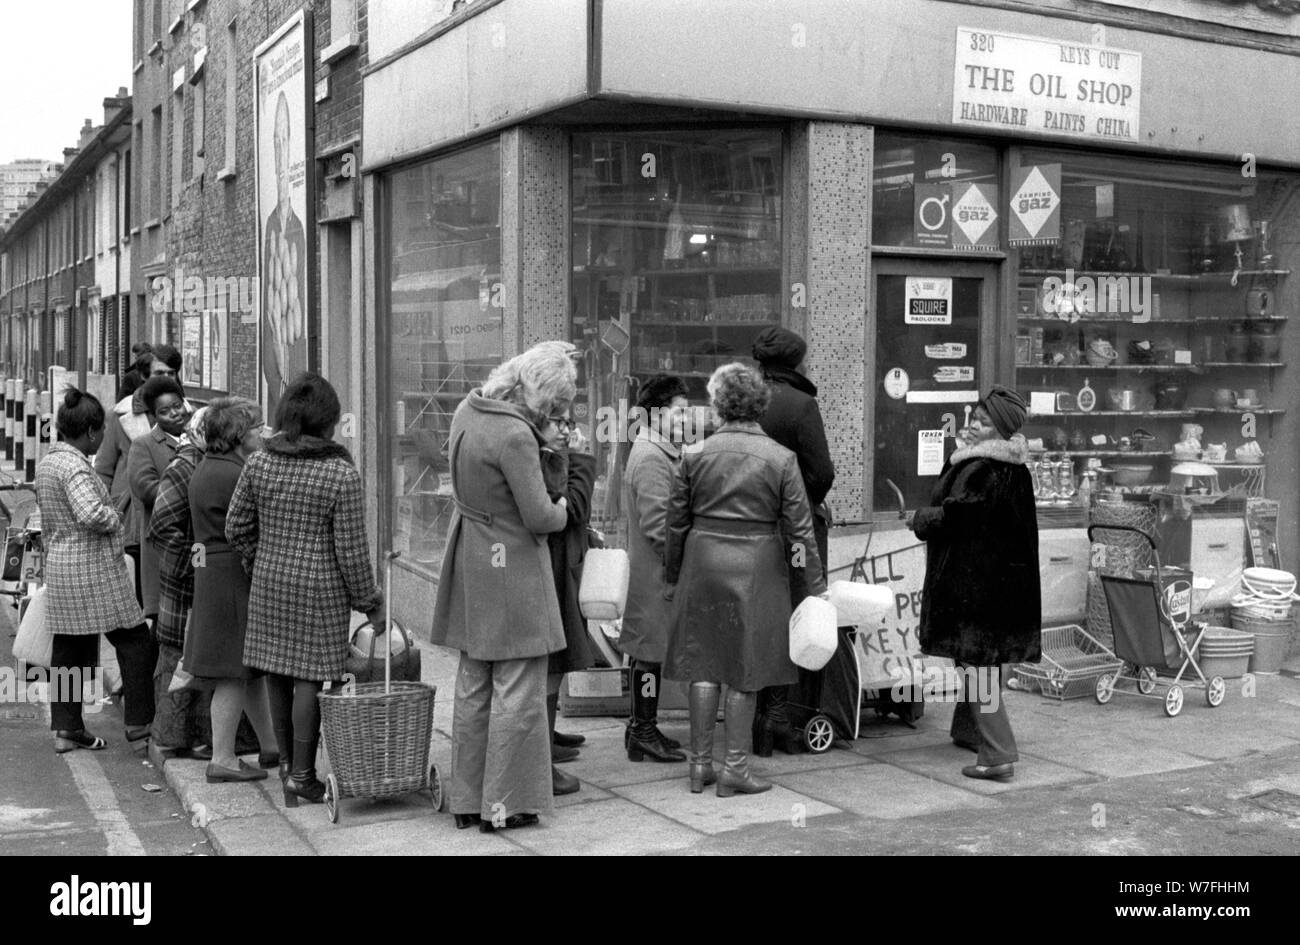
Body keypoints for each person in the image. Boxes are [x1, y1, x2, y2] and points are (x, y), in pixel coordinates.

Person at [431, 341, 575, 832]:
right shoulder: (515, 435)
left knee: (474, 683)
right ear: (542, 396)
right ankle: (507, 804)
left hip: (473, 554)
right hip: (511, 563)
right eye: (556, 404)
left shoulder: (468, 409)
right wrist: (563, 512)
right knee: (518, 687)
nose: (556, 414)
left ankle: (470, 801)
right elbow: (539, 514)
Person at [664, 363, 825, 797]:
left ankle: (699, 765)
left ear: (717, 405)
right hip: (757, 567)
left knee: (704, 665)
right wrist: (812, 587)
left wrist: (671, 575)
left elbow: (675, 525)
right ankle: (735, 767)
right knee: (744, 670)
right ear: (760, 404)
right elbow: (799, 532)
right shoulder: (781, 458)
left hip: (702, 563)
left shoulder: (693, 455)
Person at [227, 373, 383, 806]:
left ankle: (284, 767)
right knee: (311, 681)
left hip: (269, 583)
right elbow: (351, 551)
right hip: (320, 592)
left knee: (278, 672)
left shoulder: (260, 462)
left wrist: (261, 559)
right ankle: (302, 773)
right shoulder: (339, 473)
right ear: (328, 423)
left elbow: (235, 526)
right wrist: (371, 603)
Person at [908, 386, 1041, 782]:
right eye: (972, 418)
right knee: (978, 661)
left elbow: (958, 519)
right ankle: (971, 732)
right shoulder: (1005, 465)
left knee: (977, 665)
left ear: (999, 430)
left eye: (981, 422)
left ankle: (998, 753)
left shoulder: (983, 468)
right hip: (996, 584)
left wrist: (921, 519)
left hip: (976, 585)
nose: (971, 426)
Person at [37, 389, 156, 752]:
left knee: (69, 650)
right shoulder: (75, 467)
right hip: (94, 569)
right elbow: (90, 513)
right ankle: (138, 724)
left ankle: (67, 728)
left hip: (61, 565)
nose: (104, 437)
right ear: (90, 431)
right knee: (136, 642)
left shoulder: (49, 462)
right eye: (101, 430)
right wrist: (114, 516)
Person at [751, 327, 836, 756]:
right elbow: (822, 472)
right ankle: (780, 716)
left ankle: (761, 719)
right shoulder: (801, 405)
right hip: (796, 534)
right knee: (799, 613)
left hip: (751, 530)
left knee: (766, 616)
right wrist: (804, 505)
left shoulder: (745, 400)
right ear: (796, 363)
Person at [185, 397, 279, 783]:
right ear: (239, 435)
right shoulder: (234, 473)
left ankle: (271, 746)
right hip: (230, 575)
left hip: (216, 571)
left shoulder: (213, 466)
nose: (263, 433)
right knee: (233, 673)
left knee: (247, 670)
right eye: (257, 428)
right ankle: (222, 757)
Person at [620, 374, 690, 764]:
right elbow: (659, 525)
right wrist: (689, 559)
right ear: (659, 414)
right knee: (648, 656)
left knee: (648, 655)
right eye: (680, 412)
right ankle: (643, 730)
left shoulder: (658, 451)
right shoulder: (650, 457)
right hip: (655, 577)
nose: (686, 419)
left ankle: (640, 728)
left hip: (654, 575)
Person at [145, 406, 211, 759]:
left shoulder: (200, 462)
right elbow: (162, 526)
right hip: (184, 584)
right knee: (181, 658)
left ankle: (197, 738)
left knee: (195, 658)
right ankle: (176, 736)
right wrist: (196, 561)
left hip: (195, 581)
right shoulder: (185, 466)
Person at [96, 342, 185, 604]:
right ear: (144, 376)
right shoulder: (121, 414)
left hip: (173, 522)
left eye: (172, 374)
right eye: (160, 374)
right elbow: (103, 469)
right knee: (133, 601)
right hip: (130, 520)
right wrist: (108, 514)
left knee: (166, 598)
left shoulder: (185, 413)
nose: (167, 380)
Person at [538, 405, 596, 796]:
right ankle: (540, 752)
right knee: (552, 660)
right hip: (550, 567)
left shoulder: (547, 455)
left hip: (561, 564)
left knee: (558, 657)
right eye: (558, 423)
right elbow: (573, 507)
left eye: (569, 423)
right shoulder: (541, 459)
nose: (566, 430)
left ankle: (547, 736)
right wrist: (583, 459)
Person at [128, 375, 190, 624]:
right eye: (165, 411)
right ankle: (158, 663)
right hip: (163, 544)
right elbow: (145, 489)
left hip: (196, 543)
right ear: (154, 416)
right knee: (165, 615)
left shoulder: (199, 438)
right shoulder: (144, 445)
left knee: (196, 604)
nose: (175, 414)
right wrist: (188, 492)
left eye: (178, 406)